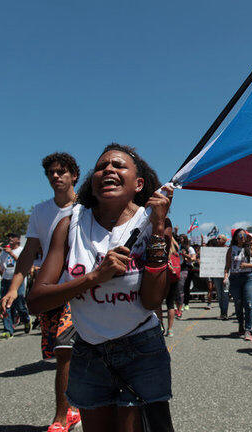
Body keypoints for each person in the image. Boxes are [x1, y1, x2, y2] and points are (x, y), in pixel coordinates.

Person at [27, 143, 174, 432]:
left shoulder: (154, 223)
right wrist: (95, 277)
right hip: (88, 351)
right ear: (92, 183)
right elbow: (36, 301)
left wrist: (158, 230)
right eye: (101, 167)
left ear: (138, 184)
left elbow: (152, 301)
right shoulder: (70, 224)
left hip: (141, 349)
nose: (108, 170)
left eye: (118, 166)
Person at [0, 153, 81, 431]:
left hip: (80, 287)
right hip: (49, 289)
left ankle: (61, 417)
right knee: (60, 351)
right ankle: (74, 407)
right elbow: (29, 252)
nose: (55, 176)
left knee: (65, 347)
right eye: (50, 173)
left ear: (74, 175)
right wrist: (14, 287)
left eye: (61, 171)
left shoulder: (87, 207)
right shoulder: (40, 211)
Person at [225, 228, 252, 341]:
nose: (242, 237)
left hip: (248, 277)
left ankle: (248, 330)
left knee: (249, 303)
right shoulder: (231, 249)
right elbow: (227, 266)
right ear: (236, 238)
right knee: (238, 303)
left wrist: (247, 265)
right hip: (235, 278)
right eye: (240, 236)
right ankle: (241, 324)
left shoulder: (250, 248)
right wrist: (225, 277)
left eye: (244, 235)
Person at [0, 233, 30, 339]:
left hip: (18, 281)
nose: (10, 239)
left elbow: (24, 264)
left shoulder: (22, 250)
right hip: (6, 280)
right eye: (9, 237)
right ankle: (8, 330)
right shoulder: (4, 252)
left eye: (13, 237)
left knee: (20, 305)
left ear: (18, 240)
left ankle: (26, 320)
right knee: (6, 305)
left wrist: (12, 254)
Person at [212, 234, 229, 319]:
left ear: (224, 240)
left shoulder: (228, 249)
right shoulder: (214, 250)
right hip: (216, 274)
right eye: (217, 239)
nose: (217, 240)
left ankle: (225, 313)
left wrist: (226, 274)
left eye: (219, 239)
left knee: (225, 293)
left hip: (226, 274)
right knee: (219, 294)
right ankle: (222, 312)